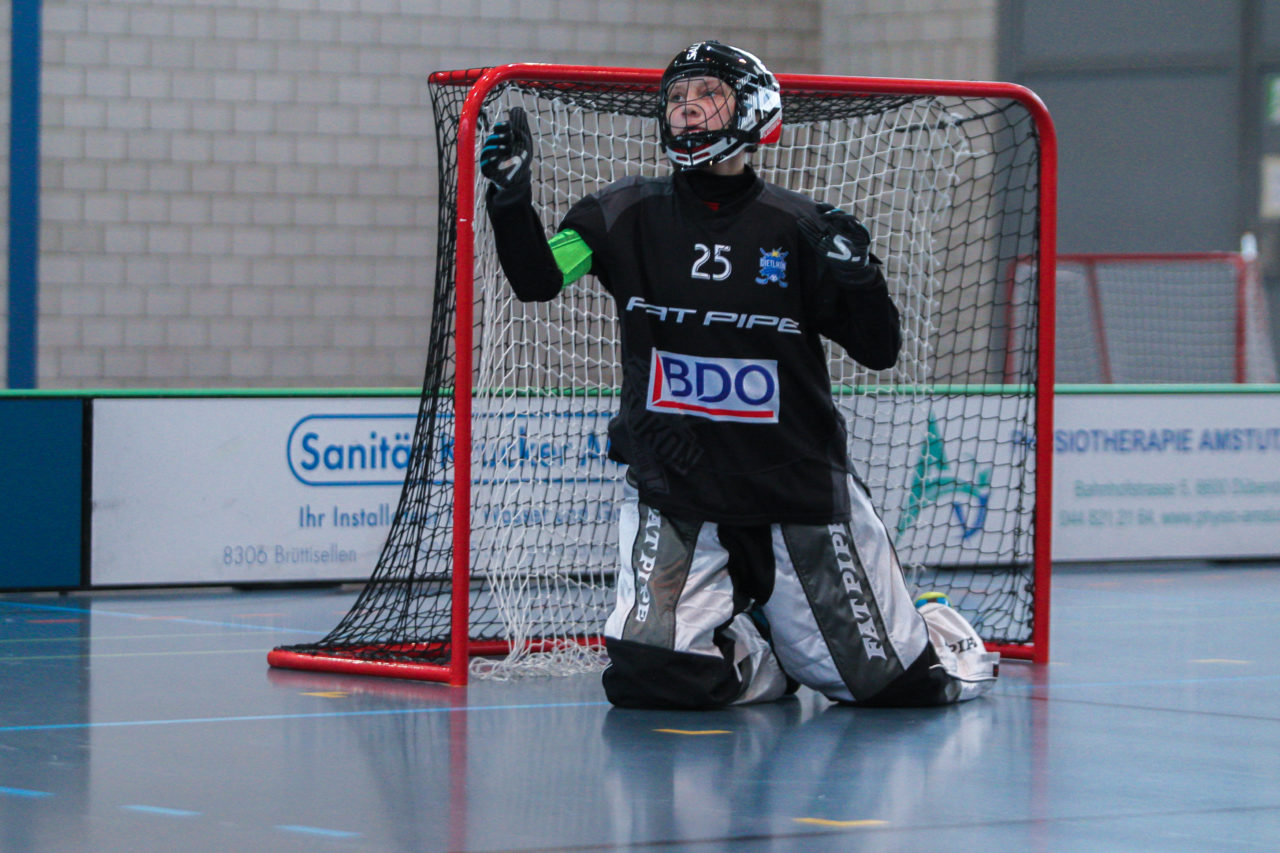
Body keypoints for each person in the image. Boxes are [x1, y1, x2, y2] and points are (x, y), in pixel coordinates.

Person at [480, 40, 998, 709]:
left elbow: (878, 349)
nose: (687, 112)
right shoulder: (620, 213)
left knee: (894, 687)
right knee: (647, 674)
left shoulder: (802, 227)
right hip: (677, 488)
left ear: (754, 112)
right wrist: (509, 200)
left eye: (708, 97)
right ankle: (761, 647)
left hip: (796, 488)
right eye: (676, 99)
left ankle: (937, 627)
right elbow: (536, 278)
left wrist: (860, 280)